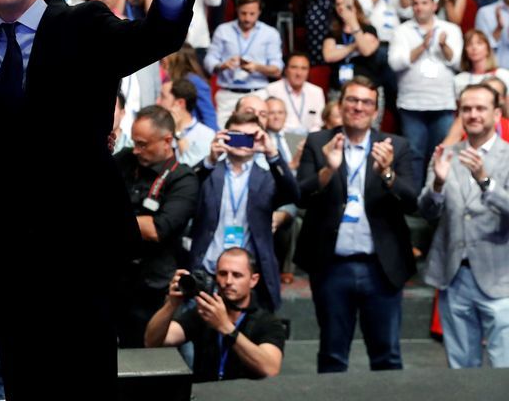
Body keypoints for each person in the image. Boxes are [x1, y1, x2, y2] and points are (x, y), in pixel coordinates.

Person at [0, 0, 195, 396]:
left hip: (80, 245)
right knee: (22, 383)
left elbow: (158, 35)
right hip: (9, 251)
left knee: (85, 382)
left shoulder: (84, 23)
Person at [295, 76, 418, 373]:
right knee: (332, 355)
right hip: (331, 266)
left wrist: (387, 174)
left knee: (387, 356)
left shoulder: (396, 146)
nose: (358, 107)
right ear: (340, 105)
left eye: (366, 102)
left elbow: (412, 201)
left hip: (382, 267)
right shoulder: (319, 142)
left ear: (376, 110)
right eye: (352, 100)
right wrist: (328, 170)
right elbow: (300, 196)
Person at [420, 83, 509, 368]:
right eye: (467, 109)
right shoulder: (445, 154)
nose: (473, 114)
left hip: (500, 277)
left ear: (496, 115)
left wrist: (486, 182)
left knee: (503, 370)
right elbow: (427, 212)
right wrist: (437, 184)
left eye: (480, 108)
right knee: (461, 371)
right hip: (455, 276)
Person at [191, 110, 297, 312]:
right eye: (236, 135)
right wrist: (210, 160)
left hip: (250, 275)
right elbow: (187, 191)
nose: (242, 142)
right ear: (224, 135)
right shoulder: (210, 172)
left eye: (249, 137)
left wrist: (272, 154)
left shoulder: (267, 178)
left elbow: (293, 195)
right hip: (208, 270)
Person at [113, 105, 199, 348]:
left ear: (167, 140)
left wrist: (107, 218)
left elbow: (157, 230)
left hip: (152, 286)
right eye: (135, 143)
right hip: (116, 279)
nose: (136, 150)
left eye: (143, 144)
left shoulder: (183, 179)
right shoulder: (126, 160)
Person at [144, 248, 285, 381]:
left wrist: (226, 328)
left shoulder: (268, 322)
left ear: (253, 280)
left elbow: (270, 368)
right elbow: (153, 342)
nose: (228, 281)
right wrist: (171, 304)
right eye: (223, 274)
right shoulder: (204, 313)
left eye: (237, 275)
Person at [388, 0, 463, 184]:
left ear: (434, 5)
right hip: (412, 104)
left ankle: (437, 197)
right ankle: (414, 200)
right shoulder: (401, 31)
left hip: (443, 103)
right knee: (414, 154)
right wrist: (422, 46)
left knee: (442, 153)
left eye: (424, 3)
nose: (419, 7)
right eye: (415, 3)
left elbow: (458, 62)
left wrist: (443, 46)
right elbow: (395, 63)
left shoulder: (451, 29)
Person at [204, 0, 284, 127]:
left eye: (252, 14)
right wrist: (223, 65)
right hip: (228, 94)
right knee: (224, 135)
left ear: (259, 12)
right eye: (243, 13)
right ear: (237, 10)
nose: (247, 18)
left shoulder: (270, 34)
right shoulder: (223, 30)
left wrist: (257, 67)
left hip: (258, 93)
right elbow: (209, 61)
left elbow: (277, 69)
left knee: (258, 135)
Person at [265, 52, 326, 134]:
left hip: (309, 139)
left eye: (304, 68)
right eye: (294, 68)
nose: (299, 73)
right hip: (280, 137)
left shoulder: (316, 92)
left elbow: (319, 122)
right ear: (286, 70)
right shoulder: (272, 90)